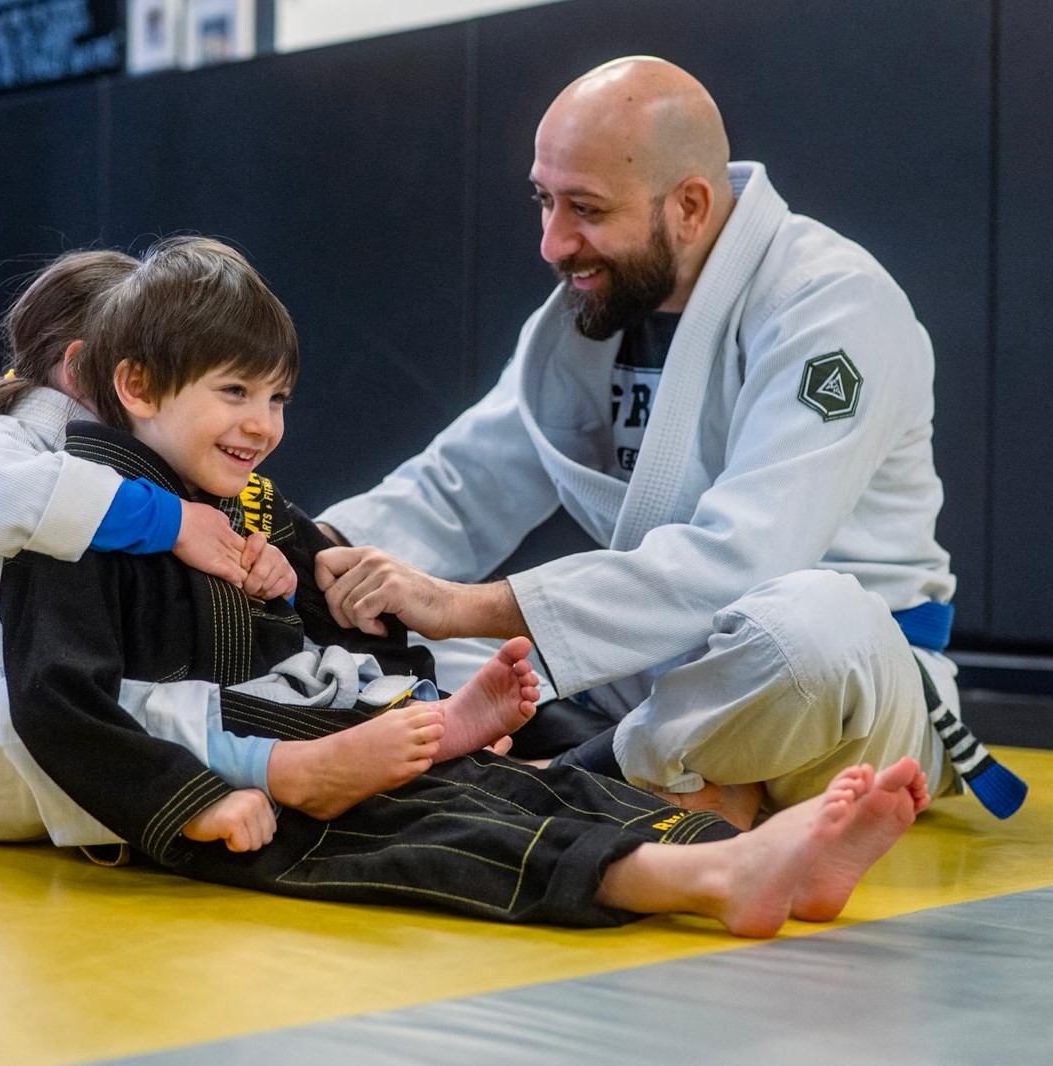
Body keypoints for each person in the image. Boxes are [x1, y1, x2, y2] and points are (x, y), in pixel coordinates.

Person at [0, 233, 931, 935]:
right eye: (234, 394)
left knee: (510, 786)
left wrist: (319, 582)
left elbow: (337, 587)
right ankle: (712, 879)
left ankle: (755, 855)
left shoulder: (237, 497)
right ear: (132, 384)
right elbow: (58, 701)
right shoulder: (69, 512)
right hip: (247, 773)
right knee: (451, 829)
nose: (263, 424)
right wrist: (192, 797)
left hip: (322, 724)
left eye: (276, 397)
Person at [313, 56, 1025, 827]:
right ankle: (702, 784)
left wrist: (467, 602)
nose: (553, 243)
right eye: (543, 201)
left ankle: (581, 771)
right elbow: (459, 485)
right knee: (385, 647)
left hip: (831, 687)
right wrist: (305, 550)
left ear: (688, 205)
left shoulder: (831, 306)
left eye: (584, 208)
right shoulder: (592, 314)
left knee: (810, 626)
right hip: (660, 673)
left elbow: (742, 563)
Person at [0, 248, 307, 833]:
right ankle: (257, 776)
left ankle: (278, 764)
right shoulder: (21, 440)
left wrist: (266, 571)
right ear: (87, 370)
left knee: (223, 699)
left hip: (21, 720)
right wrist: (172, 521)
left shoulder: (156, 461)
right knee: (139, 720)